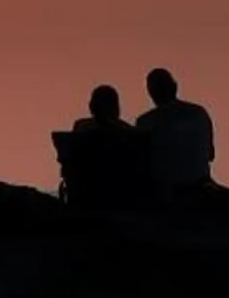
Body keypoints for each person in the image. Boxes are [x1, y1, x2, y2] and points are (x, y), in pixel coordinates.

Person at [52, 83, 149, 208]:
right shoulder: (129, 132)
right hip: (119, 195)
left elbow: (68, 163)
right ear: (116, 108)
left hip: (84, 194)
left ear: (92, 106)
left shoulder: (81, 127)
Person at [136, 67, 217, 201]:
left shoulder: (146, 122)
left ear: (151, 93)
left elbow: (143, 163)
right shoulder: (199, 113)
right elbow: (210, 155)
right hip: (201, 185)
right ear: (175, 87)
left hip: (167, 191)